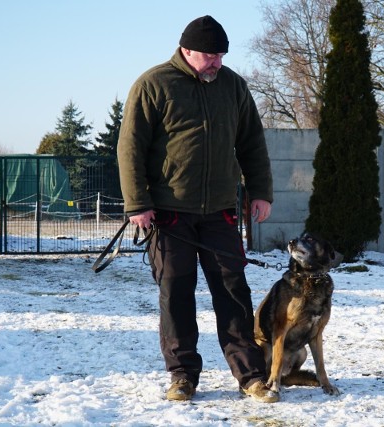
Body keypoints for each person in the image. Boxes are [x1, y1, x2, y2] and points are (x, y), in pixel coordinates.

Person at [117, 15, 277, 403]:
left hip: (220, 211)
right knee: (176, 294)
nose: (217, 63)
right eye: (210, 55)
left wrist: (261, 192)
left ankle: (252, 376)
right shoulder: (153, 84)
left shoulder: (234, 86)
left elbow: (252, 143)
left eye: (221, 55)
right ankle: (182, 376)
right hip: (169, 214)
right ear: (186, 51)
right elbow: (130, 148)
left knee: (234, 293)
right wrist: (138, 203)